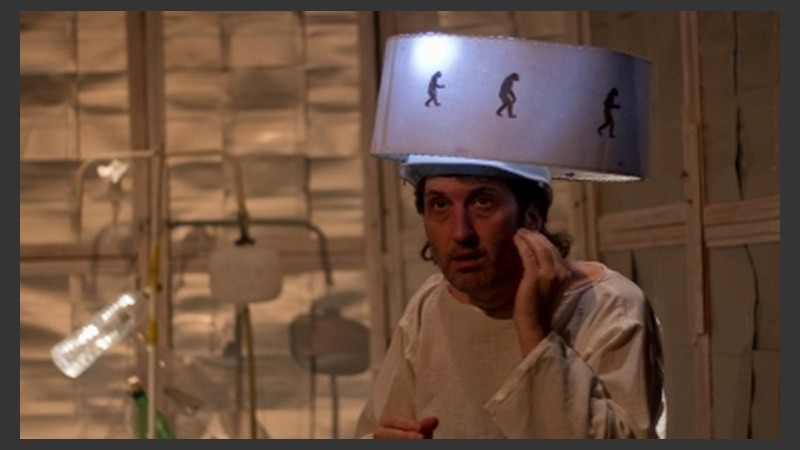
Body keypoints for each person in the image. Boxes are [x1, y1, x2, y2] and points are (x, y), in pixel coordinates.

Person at [354, 154, 666, 439]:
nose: (461, 232)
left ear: (532, 216)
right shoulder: (429, 305)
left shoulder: (609, 305)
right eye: (440, 204)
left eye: (483, 202)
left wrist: (533, 328)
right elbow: (375, 429)